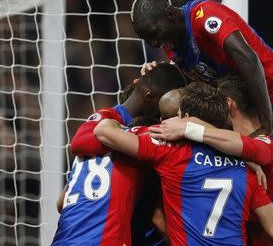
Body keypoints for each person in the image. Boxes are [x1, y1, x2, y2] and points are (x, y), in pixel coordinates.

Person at [131, 0, 273, 246]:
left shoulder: (204, 16)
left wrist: (264, 128)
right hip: (251, 107)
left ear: (169, 14)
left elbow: (249, 59)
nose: (154, 41)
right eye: (146, 39)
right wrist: (156, 76)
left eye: (153, 32)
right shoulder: (172, 46)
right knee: (267, 191)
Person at [93, 82, 273, 245]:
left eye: (177, 115)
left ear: (185, 120)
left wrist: (116, 120)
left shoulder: (170, 152)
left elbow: (102, 131)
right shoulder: (247, 169)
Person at [51, 62, 186, 246]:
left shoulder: (110, 133)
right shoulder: (125, 128)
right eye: (167, 103)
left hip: (65, 237)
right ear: (150, 96)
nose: (168, 112)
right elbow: (79, 142)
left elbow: (61, 202)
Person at [150, 75, 273, 246]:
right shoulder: (237, 161)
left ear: (229, 105)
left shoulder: (266, 146)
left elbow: (248, 148)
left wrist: (189, 127)